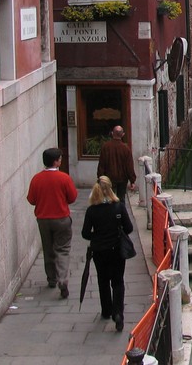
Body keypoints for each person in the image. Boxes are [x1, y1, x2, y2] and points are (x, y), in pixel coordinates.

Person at [81, 176, 135, 332]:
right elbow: (129, 228)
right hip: (117, 249)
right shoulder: (118, 207)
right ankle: (118, 313)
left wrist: (97, 236)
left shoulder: (92, 211)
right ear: (111, 188)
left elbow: (85, 233)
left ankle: (106, 310)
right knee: (118, 281)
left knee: (103, 280)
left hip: (99, 250)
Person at [26, 148, 78, 299]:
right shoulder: (64, 178)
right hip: (61, 218)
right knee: (62, 249)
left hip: (43, 219)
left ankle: (51, 279)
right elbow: (73, 197)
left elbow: (31, 200)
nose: (61, 161)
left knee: (48, 248)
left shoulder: (36, 179)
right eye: (60, 159)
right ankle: (62, 279)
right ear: (56, 161)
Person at [97, 125, 138, 204]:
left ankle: (110, 214)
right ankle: (120, 214)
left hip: (109, 178)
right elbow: (129, 166)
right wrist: (132, 180)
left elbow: (101, 164)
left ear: (112, 133)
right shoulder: (126, 149)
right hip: (122, 179)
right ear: (122, 135)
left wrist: (100, 178)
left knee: (108, 199)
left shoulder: (106, 147)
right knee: (121, 199)